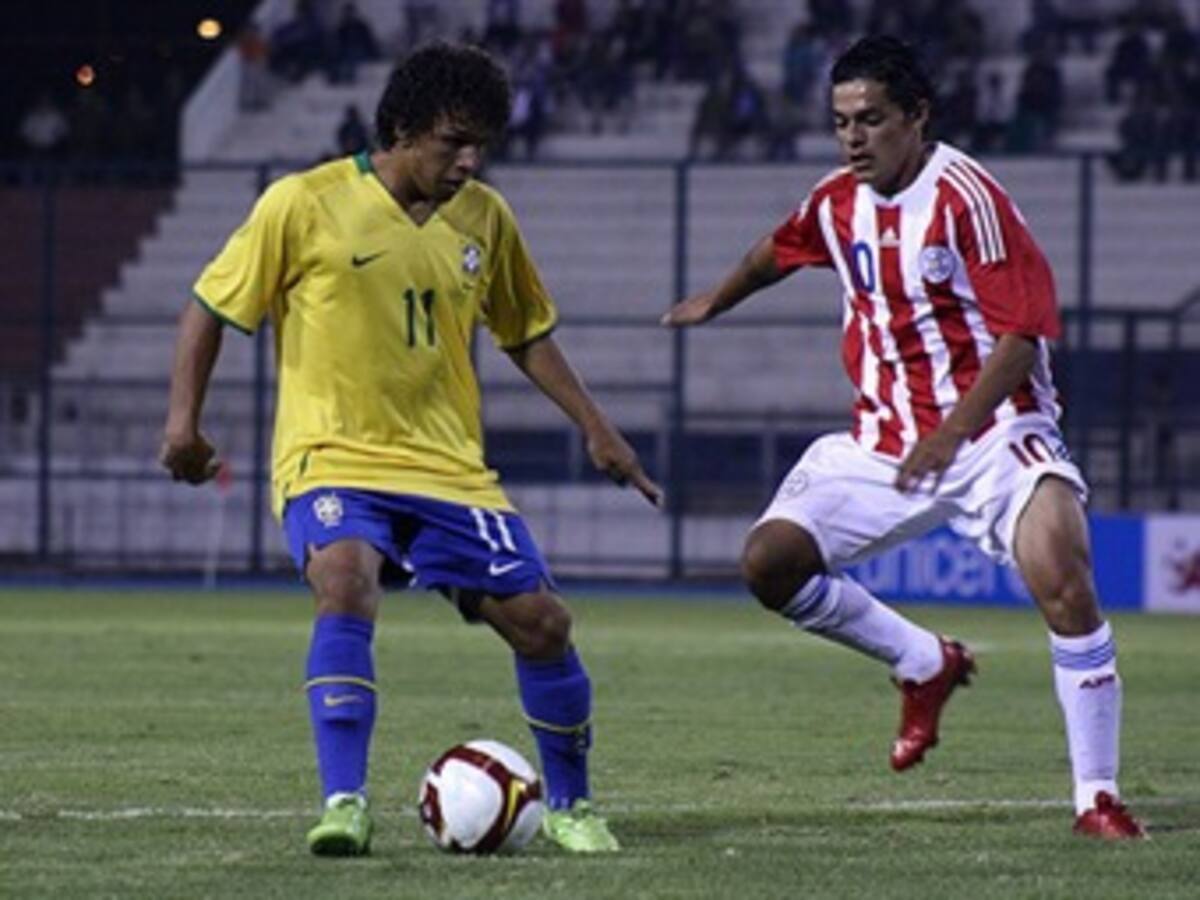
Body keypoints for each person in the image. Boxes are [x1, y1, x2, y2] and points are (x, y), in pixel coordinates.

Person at [161, 41, 661, 857]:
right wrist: (183, 424)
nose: (468, 161)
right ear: (400, 127)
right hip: (331, 454)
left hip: (448, 469)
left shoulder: (487, 218)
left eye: (480, 146)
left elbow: (526, 335)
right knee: (345, 580)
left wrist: (595, 425)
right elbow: (209, 308)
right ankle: (344, 801)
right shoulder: (304, 202)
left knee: (543, 624)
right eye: (452, 141)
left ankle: (571, 805)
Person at [661, 35, 1145, 841]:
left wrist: (953, 434)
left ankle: (1096, 797)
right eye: (842, 121)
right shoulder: (836, 200)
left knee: (1062, 570)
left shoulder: (967, 199)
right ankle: (924, 661)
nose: (854, 137)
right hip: (883, 440)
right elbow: (777, 250)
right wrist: (716, 299)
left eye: (872, 120)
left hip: (993, 431)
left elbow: (1022, 334)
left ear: (917, 117)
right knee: (768, 562)